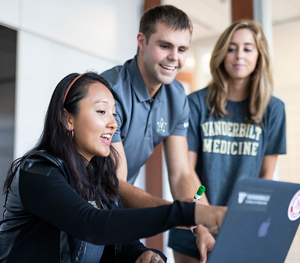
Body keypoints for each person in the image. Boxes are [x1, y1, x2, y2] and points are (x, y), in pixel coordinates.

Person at [0, 72, 227, 263]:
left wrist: (142, 254)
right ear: (67, 119)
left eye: (114, 114)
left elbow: (119, 242)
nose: (113, 123)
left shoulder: (100, 178)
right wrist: (188, 213)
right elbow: (92, 225)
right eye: (101, 112)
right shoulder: (38, 171)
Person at [100, 5, 214, 261]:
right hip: (82, 206)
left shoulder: (176, 97)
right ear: (141, 41)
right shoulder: (109, 91)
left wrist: (202, 226)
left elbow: (182, 172)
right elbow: (114, 184)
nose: (174, 57)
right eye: (165, 46)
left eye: (182, 49)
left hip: (116, 210)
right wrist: (179, 213)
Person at [168, 19, 286, 263]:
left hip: (244, 226)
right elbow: (188, 171)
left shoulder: (273, 109)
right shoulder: (196, 104)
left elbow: (265, 177)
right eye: (231, 48)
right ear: (222, 54)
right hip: (195, 221)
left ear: (259, 55)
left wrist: (241, 223)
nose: (238, 55)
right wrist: (205, 219)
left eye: (247, 48)